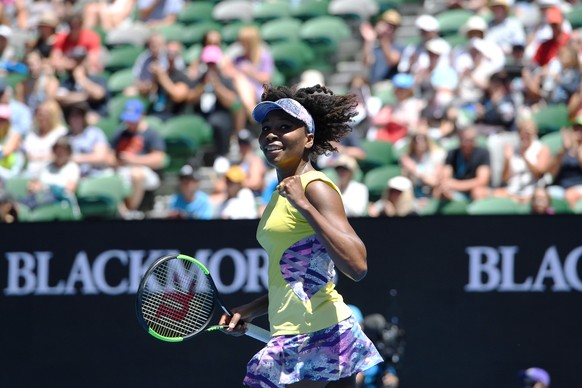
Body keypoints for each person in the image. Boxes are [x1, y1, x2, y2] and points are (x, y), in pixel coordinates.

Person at [218, 84, 383, 387]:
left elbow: (357, 265)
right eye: (266, 128)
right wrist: (251, 310)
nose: (271, 134)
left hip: (320, 335)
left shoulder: (314, 187)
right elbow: (296, 280)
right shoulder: (279, 196)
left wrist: (305, 205)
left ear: (308, 138)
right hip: (297, 333)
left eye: (284, 127)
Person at [110, 99, 166, 215]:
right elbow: (110, 156)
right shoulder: (120, 133)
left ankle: (131, 211)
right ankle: (122, 212)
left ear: (142, 115)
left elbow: (160, 159)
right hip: (122, 170)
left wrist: (133, 160)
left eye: (133, 119)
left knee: (136, 173)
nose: (130, 122)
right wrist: (116, 161)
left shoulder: (151, 133)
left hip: (146, 172)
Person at [492, 117, 551, 203]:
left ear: (534, 133)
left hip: (533, 191)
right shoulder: (513, 150)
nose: (524, 135)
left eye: (527, 132)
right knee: (494, 195)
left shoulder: (541, 148)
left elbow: (539, 174)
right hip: (513, 191)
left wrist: (524, 156)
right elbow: (505, 179)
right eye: (521, 131)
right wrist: (507, 160)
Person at [434, 127, 491, 201]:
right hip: (456, 190)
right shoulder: (452, 153)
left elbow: (482, 180)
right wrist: (444, 183)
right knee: (438, 192)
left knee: (478, 192)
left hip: (472, 189)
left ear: (474, 141)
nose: (464, 143)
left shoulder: (483, 153)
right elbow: (446, 174)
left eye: (468, 140)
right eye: (462, 139)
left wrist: (456, 185)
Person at [22, 99, 68, 178]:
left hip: (53, 172)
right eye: (39, 114)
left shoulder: (61, 133)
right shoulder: (31, 134)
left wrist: (37, 157)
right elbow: (25, 154)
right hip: (29, 172)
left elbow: (61, 156)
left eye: (46, 114)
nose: (42, 117)